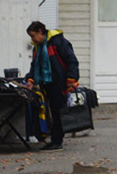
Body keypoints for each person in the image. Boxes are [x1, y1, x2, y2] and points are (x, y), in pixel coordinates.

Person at [24, 21, 79, 151]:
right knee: (53, 112)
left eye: (33, 36)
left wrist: (71, 79)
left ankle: (57, 140)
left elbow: (71, 61)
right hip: (46, 83)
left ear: (40, 31)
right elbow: (34, 64)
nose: (32, 39)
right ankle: (54, 138)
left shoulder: (58, 42)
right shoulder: (37, 47)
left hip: (59, 83)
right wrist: (31, 79)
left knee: (58, 111)